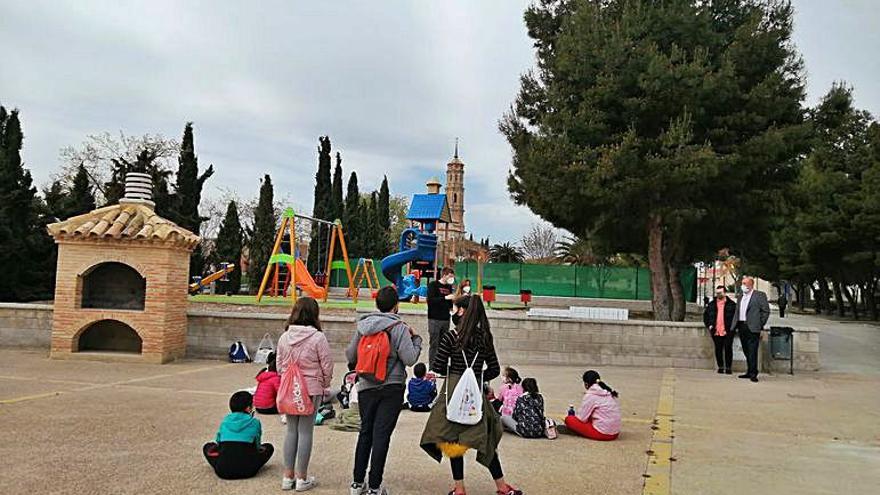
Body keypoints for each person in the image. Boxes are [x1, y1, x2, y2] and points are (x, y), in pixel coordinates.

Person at [421, 295, 522, 495]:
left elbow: (439, 366)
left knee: (453, 439)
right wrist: (476, 375)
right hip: (475, 392)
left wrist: (456, 369)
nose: (453, 312)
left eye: (455, 308)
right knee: (484, 439)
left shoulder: (450, 337)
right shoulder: (484, 338)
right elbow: (493, 369)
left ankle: (459, 489)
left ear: (462, 312)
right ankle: (502, 487)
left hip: (453, 392)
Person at [346, 286, 423, 495]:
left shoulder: (364, 326)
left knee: (365, 433)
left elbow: (350, 355)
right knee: (381, 436)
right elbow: (409, 358)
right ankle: (374, 486)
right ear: (396, 305)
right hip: (392, 386)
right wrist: (417, 340)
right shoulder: (399, 327)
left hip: (367, 386)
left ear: (377, 304)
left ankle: (356, 482)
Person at [276, 297, 333, 491]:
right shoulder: (318, 337)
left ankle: (287, 476)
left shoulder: (284, 337)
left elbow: (279, 365)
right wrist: (324, 383)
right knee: (306, 431)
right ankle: (302, 478)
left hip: (290, 388)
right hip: (311, 388)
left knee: (291, 430)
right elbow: (327, 365)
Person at [202, 391, 274, 480]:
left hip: (223, 471)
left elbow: (218, 442)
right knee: (269, 447)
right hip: (249, 470)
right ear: (248, 408)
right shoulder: (255, 422)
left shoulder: (225, 421)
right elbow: (257, 446)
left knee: (207, 446)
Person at [565, 370, 621, 441]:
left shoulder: (591, 395)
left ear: (586, 384)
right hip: (615, 433)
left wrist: (572, 417)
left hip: (604, 434)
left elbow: (581, 418)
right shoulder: (607, 391)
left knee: (569, 420)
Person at [734, 276, 771, 382]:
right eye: (742, 283)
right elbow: (738, 311)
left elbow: (766, 311)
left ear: (751, 285)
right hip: (742, 326)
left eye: (745, 283)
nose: (743, 285)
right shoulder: (741, 296)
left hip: (753, 327)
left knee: (752, 350)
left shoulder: (759, 295)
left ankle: (753, 373)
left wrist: (759, 324)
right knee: (746, 350)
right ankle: (749, 371)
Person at [702, 285, 737, 374]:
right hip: (716, 330)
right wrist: (709, 325)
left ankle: (728, 367)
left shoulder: (732, 304)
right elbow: (705, 316)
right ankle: (720, 366)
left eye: (720, 293)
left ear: (725, 293)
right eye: (717, 293)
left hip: (728, 330)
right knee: (718, 349)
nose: (718, 294)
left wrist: (733, 327)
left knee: (728, 348)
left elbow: (736, 317)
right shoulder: (712, 304)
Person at [427, 267, 457, 366]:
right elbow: (431, 301)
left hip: (445, 319)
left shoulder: (449, 288)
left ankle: (441, 366)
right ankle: (432, 367)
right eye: (450, 276)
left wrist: (452, 305)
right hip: (434, 319)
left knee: (444, 344)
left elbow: (448, 304)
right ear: (444, 275)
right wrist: (445, 297)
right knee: (434, 344)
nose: (451, 279)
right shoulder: (433, 285)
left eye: (452, 277)